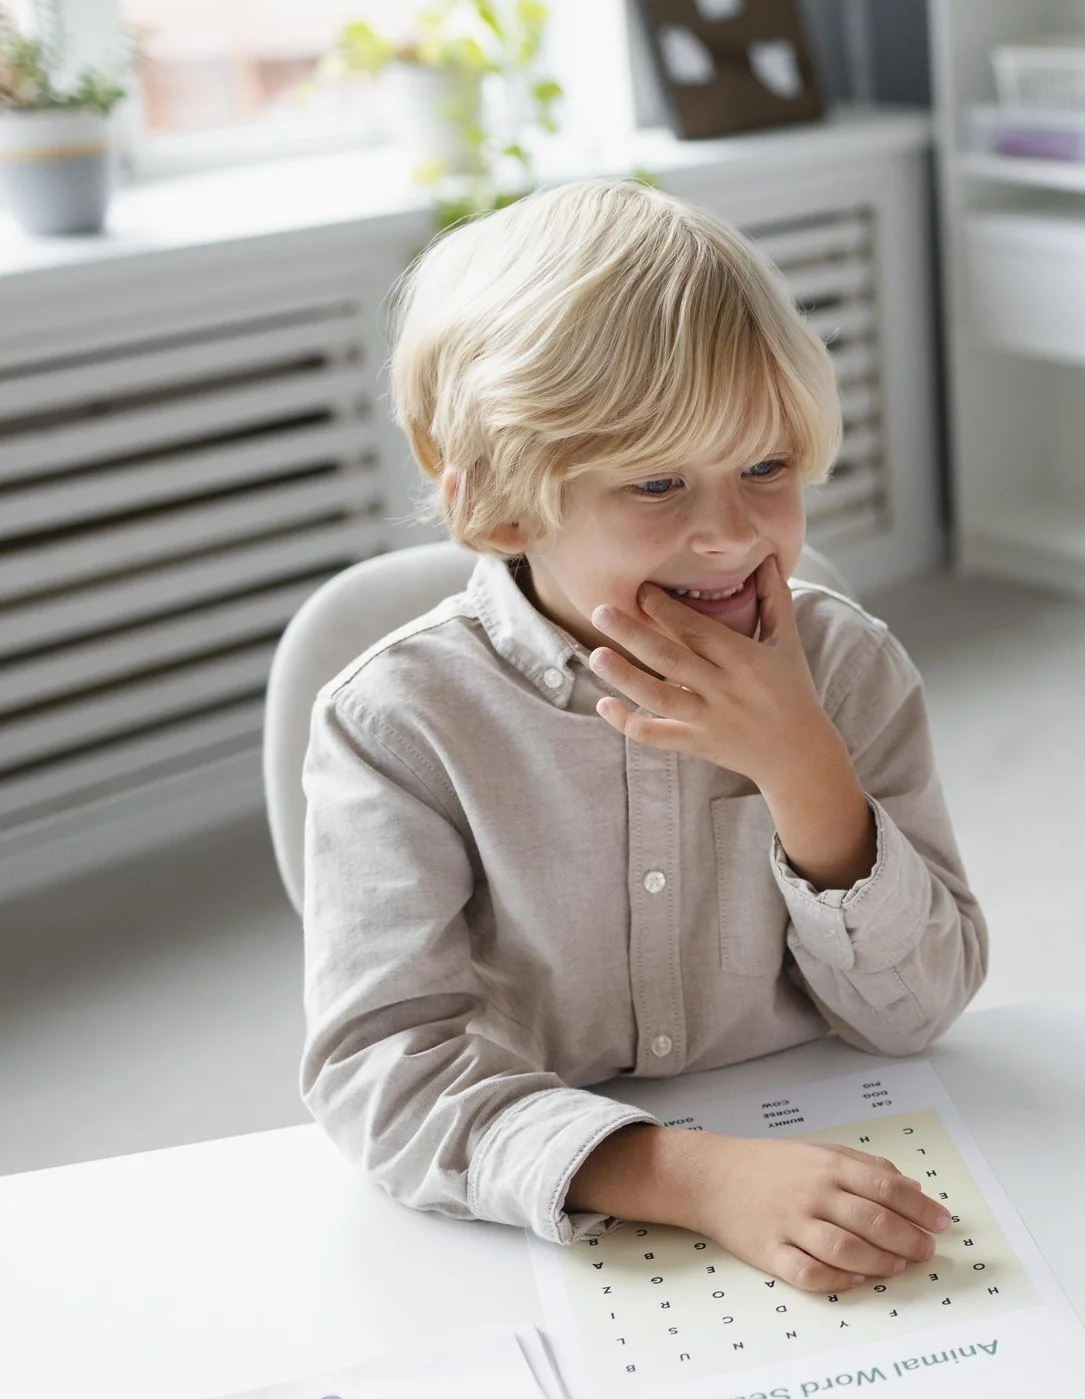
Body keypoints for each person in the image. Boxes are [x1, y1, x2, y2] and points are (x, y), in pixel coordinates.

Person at [301, 180, 983, 1295]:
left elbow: (919, 1011)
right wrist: (698, 1178)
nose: (729, 533)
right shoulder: (397, 721)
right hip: (539, 1220)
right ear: (499, 502)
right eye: (657, 482)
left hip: (832, 1145)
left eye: (766, 467)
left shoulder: (849, 667)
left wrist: (804, 766)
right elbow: (386, 1072)